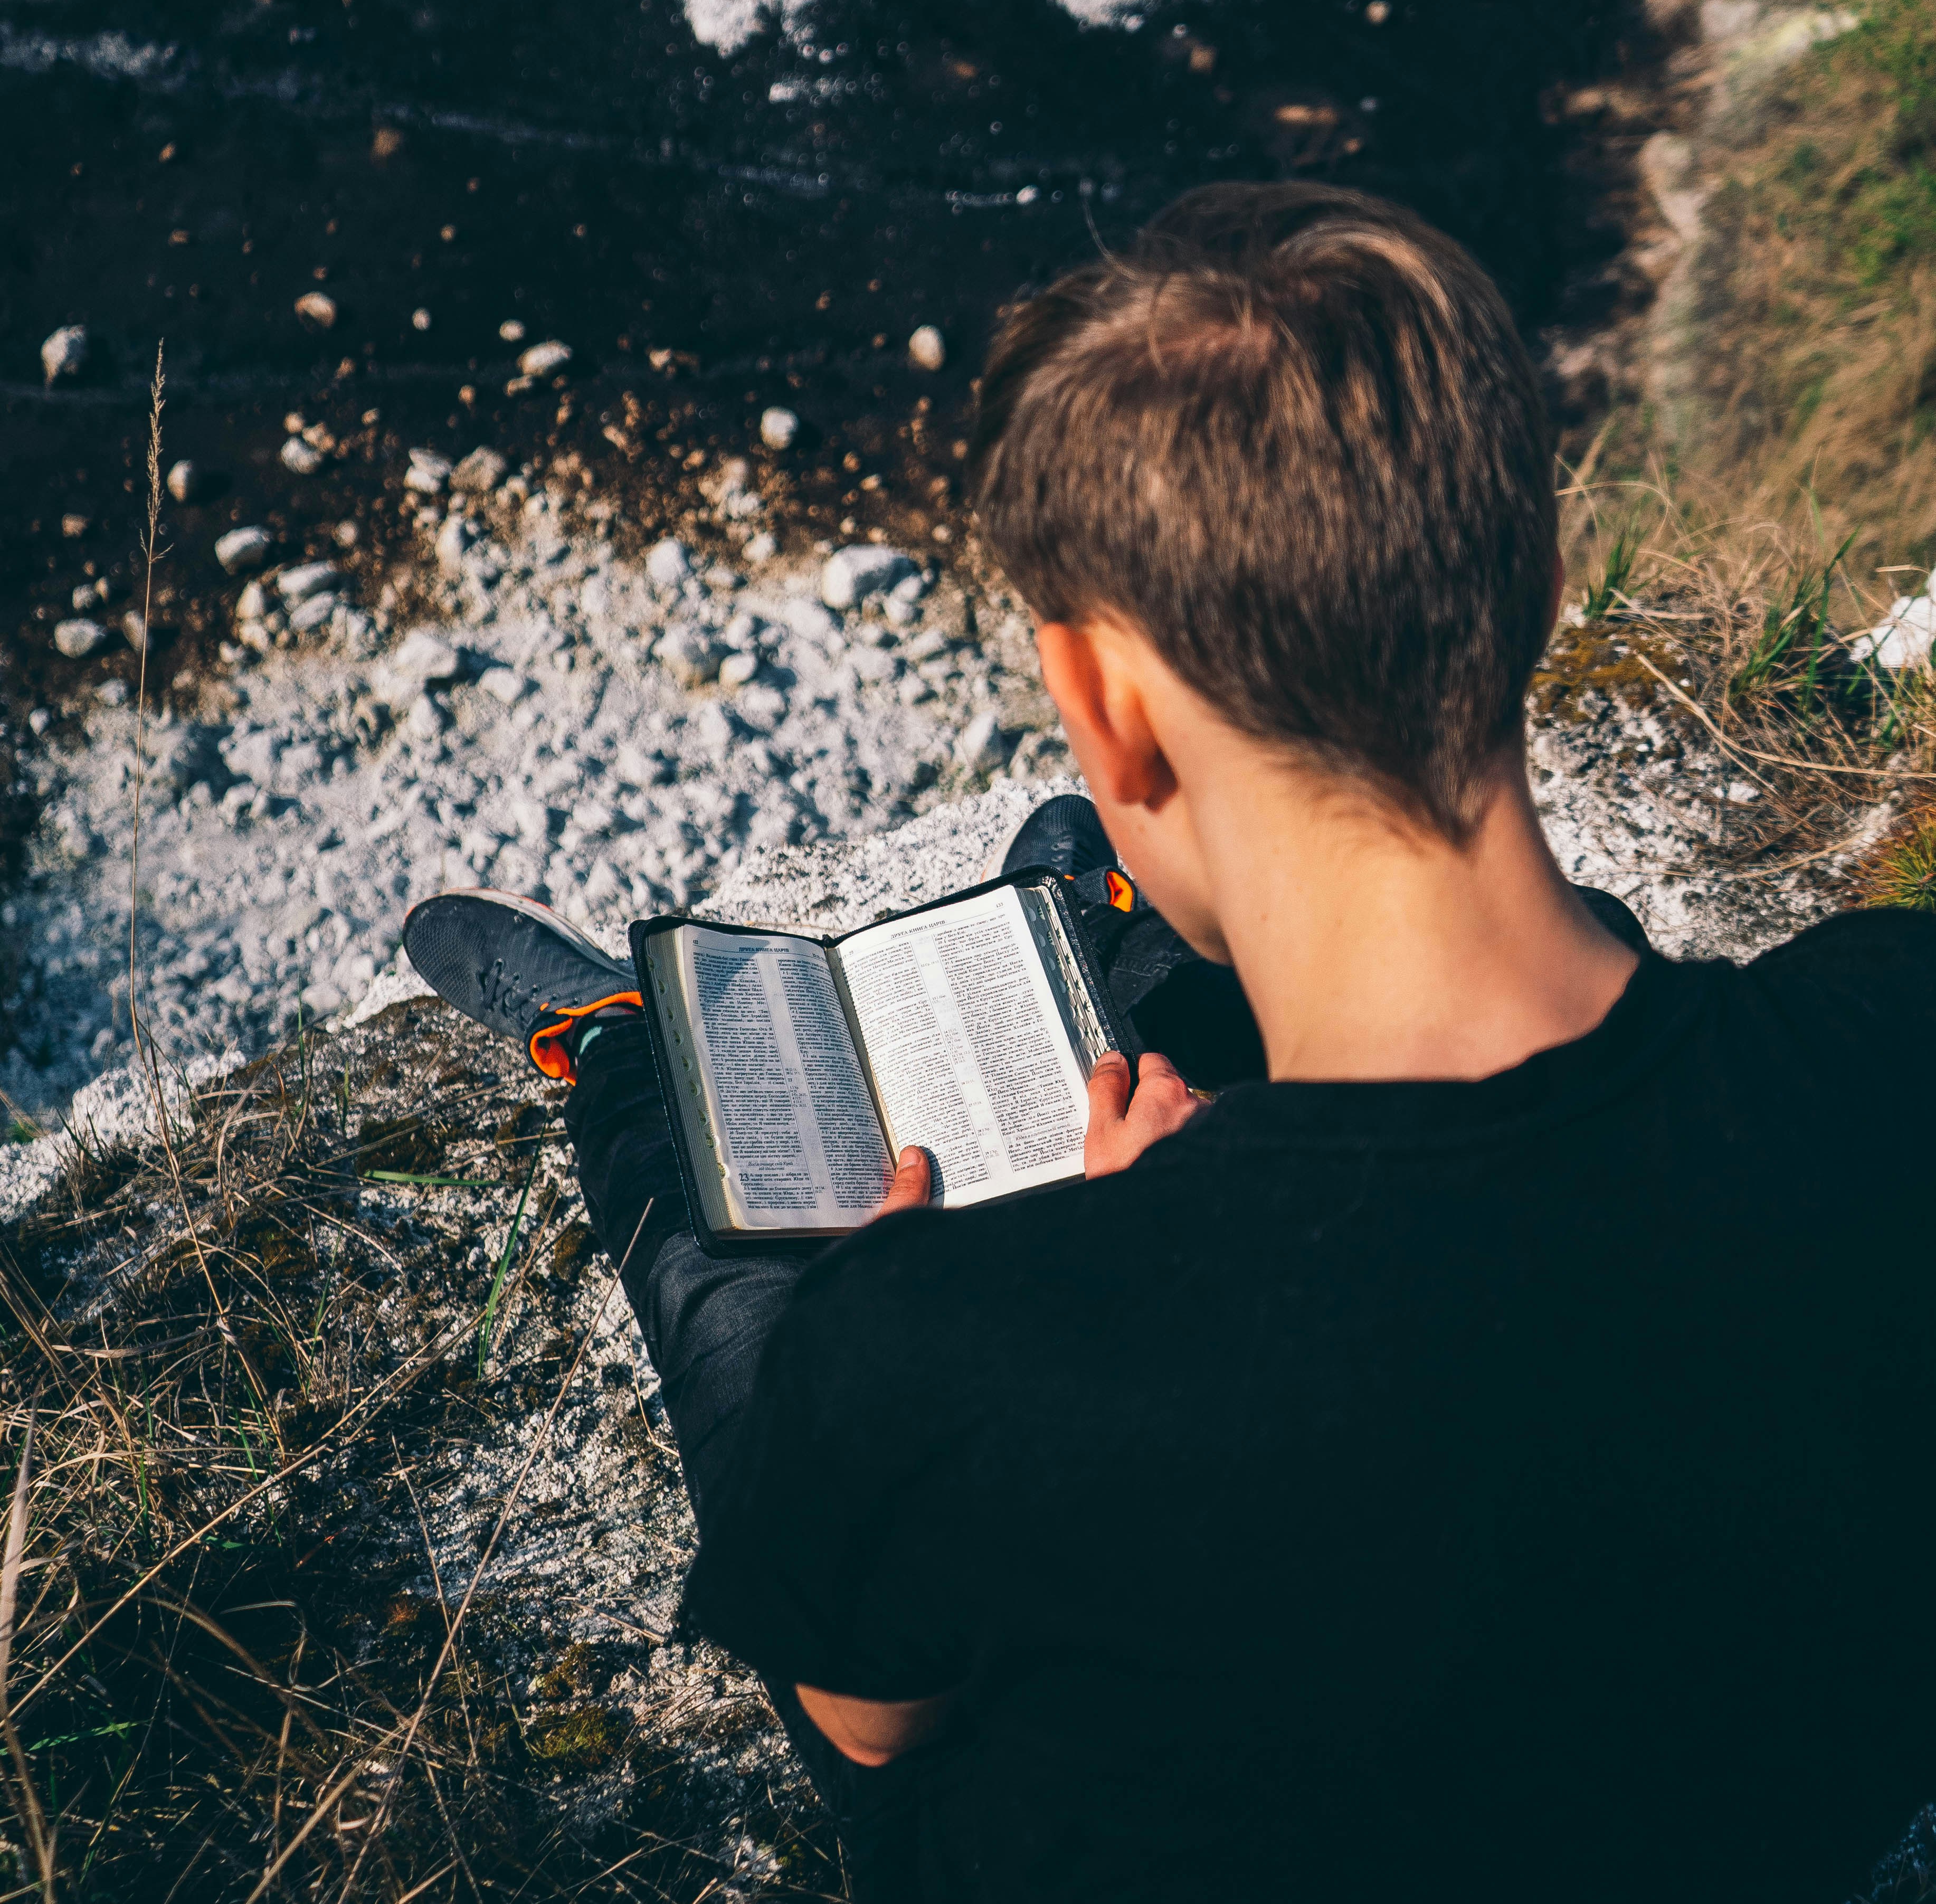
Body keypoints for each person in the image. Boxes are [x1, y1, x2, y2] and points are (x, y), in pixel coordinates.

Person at [404, 182, 1936, 1904]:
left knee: (760, 1297)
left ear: (1110, 709)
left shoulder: (951, 1352)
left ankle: (624, 1051)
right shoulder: (1890, 1033)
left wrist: (1043, 1282)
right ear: (1538, 584)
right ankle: (1089, 936)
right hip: (1768, 1823)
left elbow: (868, 1723)